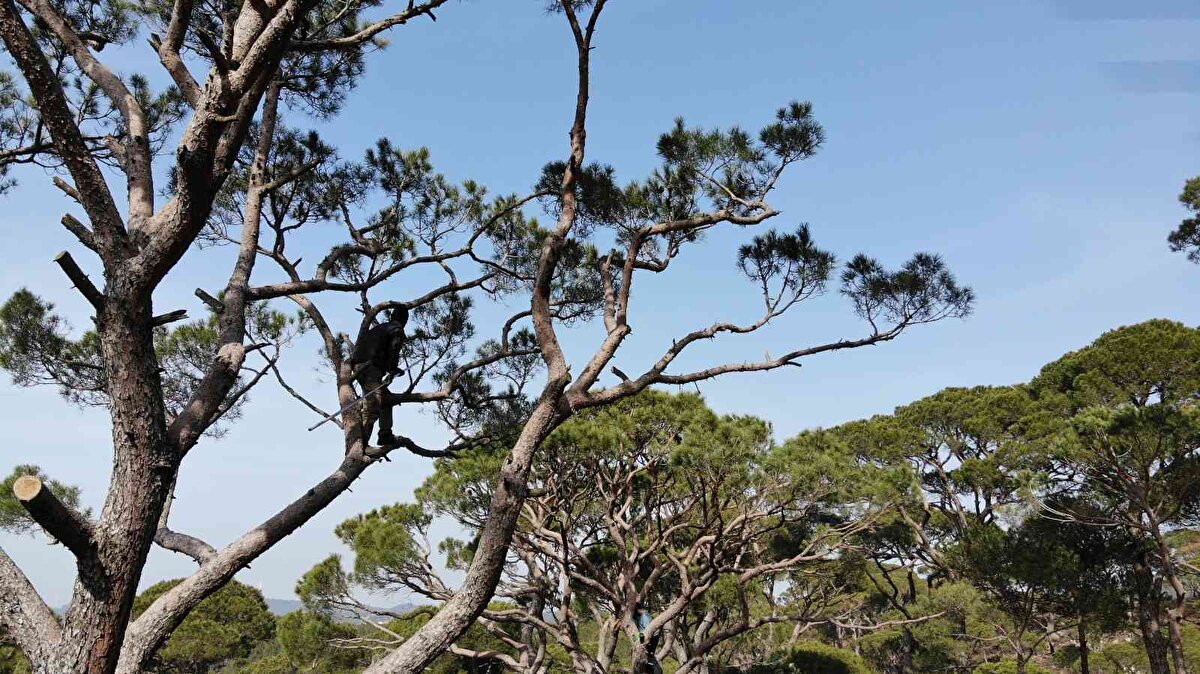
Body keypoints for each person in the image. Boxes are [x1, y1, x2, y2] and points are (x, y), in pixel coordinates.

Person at [347, 306, 409, 447]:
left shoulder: (381, 328)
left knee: (386, 400)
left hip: (359, 368)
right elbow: (394, 349)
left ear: (392, 316)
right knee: (373, 405)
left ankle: (385, 435)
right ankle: (360, 444)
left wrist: (391, 369)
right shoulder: (396, 330)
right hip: (370, 369)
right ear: (405, 320)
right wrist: (392, 369)